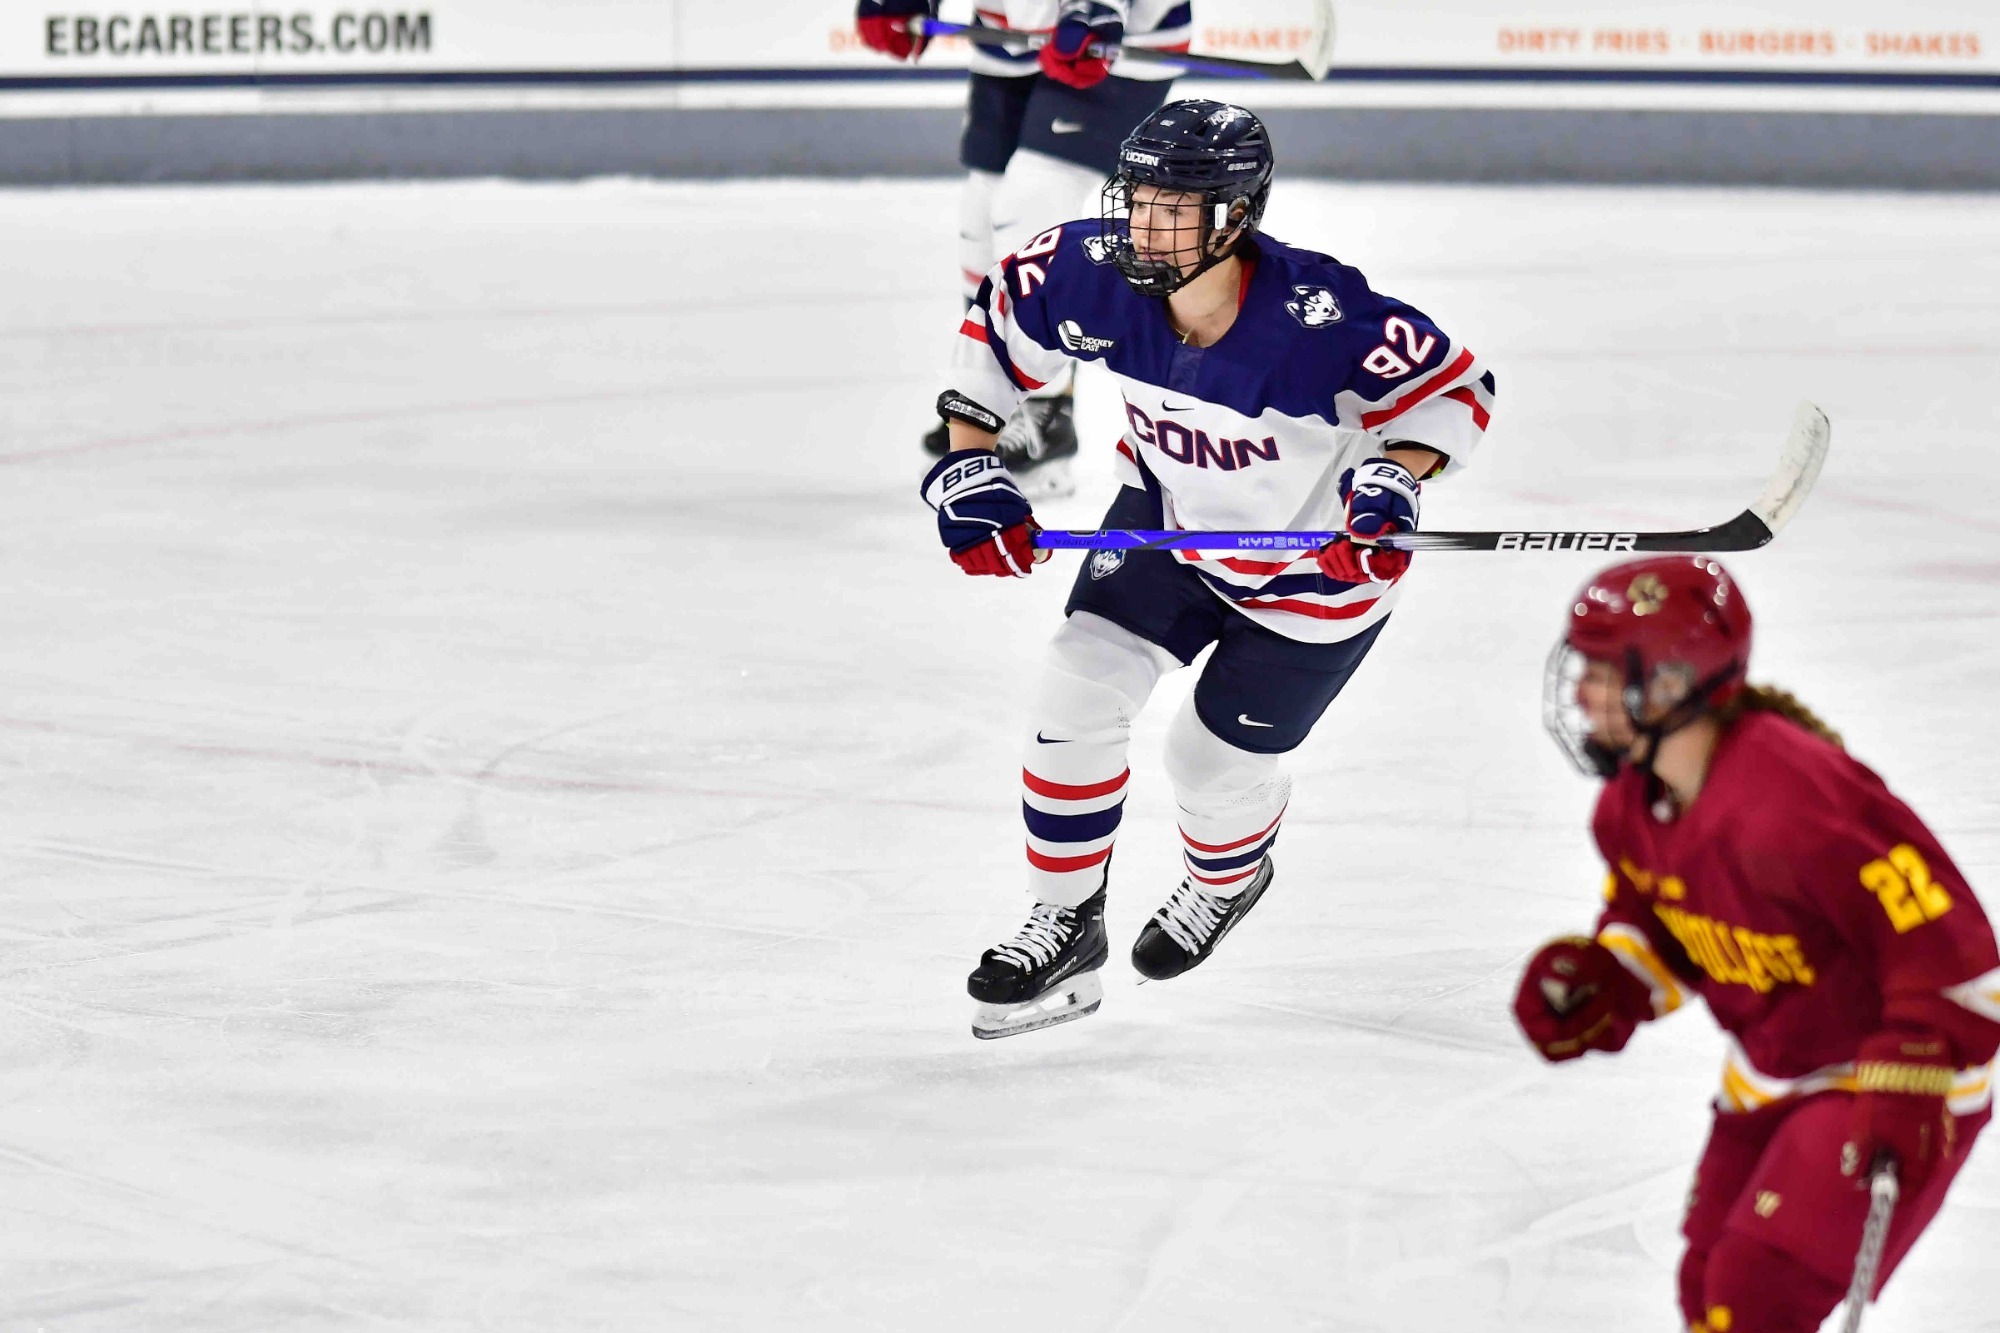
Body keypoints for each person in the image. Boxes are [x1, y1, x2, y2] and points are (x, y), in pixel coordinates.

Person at [919, 100, 1497, 1039]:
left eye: (1175, 205)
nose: (1145, 221)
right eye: (1138, 195)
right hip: (1167, 526)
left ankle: (1228, 880)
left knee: (1208, 761)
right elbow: (994, 327)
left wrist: (1393, 477)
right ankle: (1065, 922)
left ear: (1236, 215)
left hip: (1317, 576)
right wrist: (969, 460)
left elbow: (1455, 390)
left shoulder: (1323, 318)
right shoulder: (1090, 273)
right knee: (1075, 690)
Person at [1515, 555, 2000, 1333]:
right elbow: (1671, 928)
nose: (1580, 692)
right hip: (1772, 1066)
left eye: (1606, 673)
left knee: (1757, 1294)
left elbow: (1953, 950)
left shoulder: (1796, 798)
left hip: (1884, 1073)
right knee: (1706, 1284)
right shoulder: (1628, 807)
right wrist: (1609, 980)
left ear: (1673, 681)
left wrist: (1913, 1071)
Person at [856, 0, 1191, 497]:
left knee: (1030, 206)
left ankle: (1043, 411)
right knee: (981, 216)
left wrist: (1095, 9)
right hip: (1010, 36)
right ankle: (989, 394)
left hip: (1112, 40)